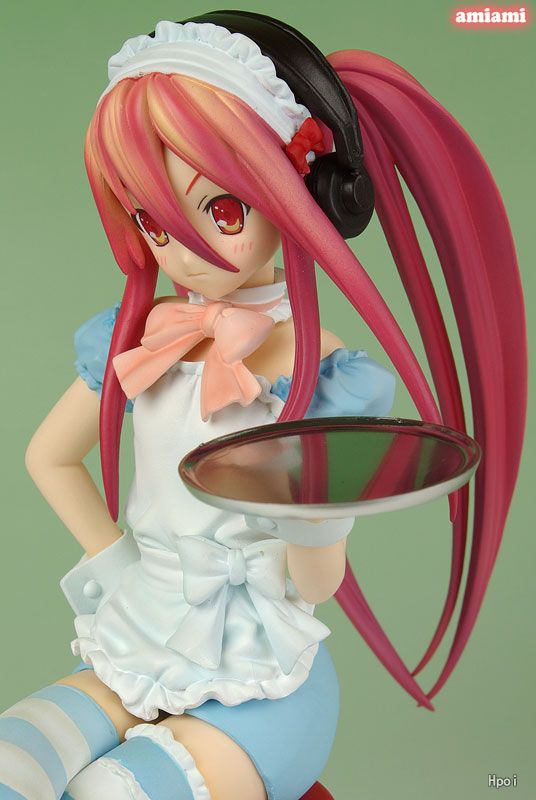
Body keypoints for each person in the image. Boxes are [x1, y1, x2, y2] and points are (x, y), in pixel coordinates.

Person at [0, 11, 526, 800]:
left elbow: (315, 584)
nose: (183, 250)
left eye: (220, 211)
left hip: (263, 683)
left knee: (110, 793)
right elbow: (48, 457)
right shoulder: (138, 339)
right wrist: (121, 567)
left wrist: (319, 510)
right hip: (135, 644)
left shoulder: (324, 375)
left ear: (306, 195)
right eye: (151, 219)